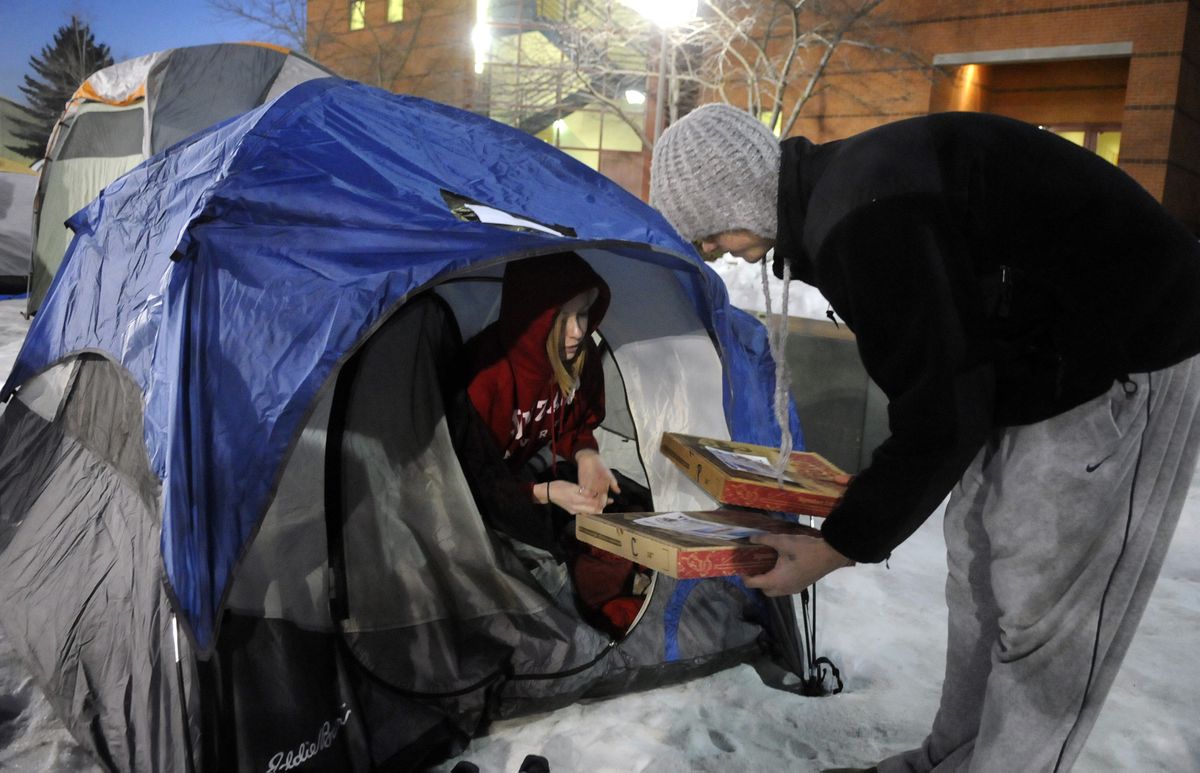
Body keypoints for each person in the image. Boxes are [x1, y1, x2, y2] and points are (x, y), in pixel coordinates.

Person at [649, 104, 1200, 772]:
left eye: (707, 234)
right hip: (1028, 362)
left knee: (1043, 611)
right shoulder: (843, 197)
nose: (711, 251)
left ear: (734, 193)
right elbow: (947, 379)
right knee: (979, 575)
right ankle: (951, 757)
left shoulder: (863, 218)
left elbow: (942, 413)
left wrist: (835, 545)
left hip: (1124, 351)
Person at [454, 252, 644, 631]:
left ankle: (617, 583)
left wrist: (588, 454)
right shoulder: (483, 376)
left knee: (631, 509)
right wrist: (544, 494)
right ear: (533, 315)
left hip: (525, 479)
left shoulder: (577, 359)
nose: (577, 331)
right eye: (562, 318)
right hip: (471, 504)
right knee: (551, 568)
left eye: (584, 313)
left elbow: (576, 426)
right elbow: (471, 486)